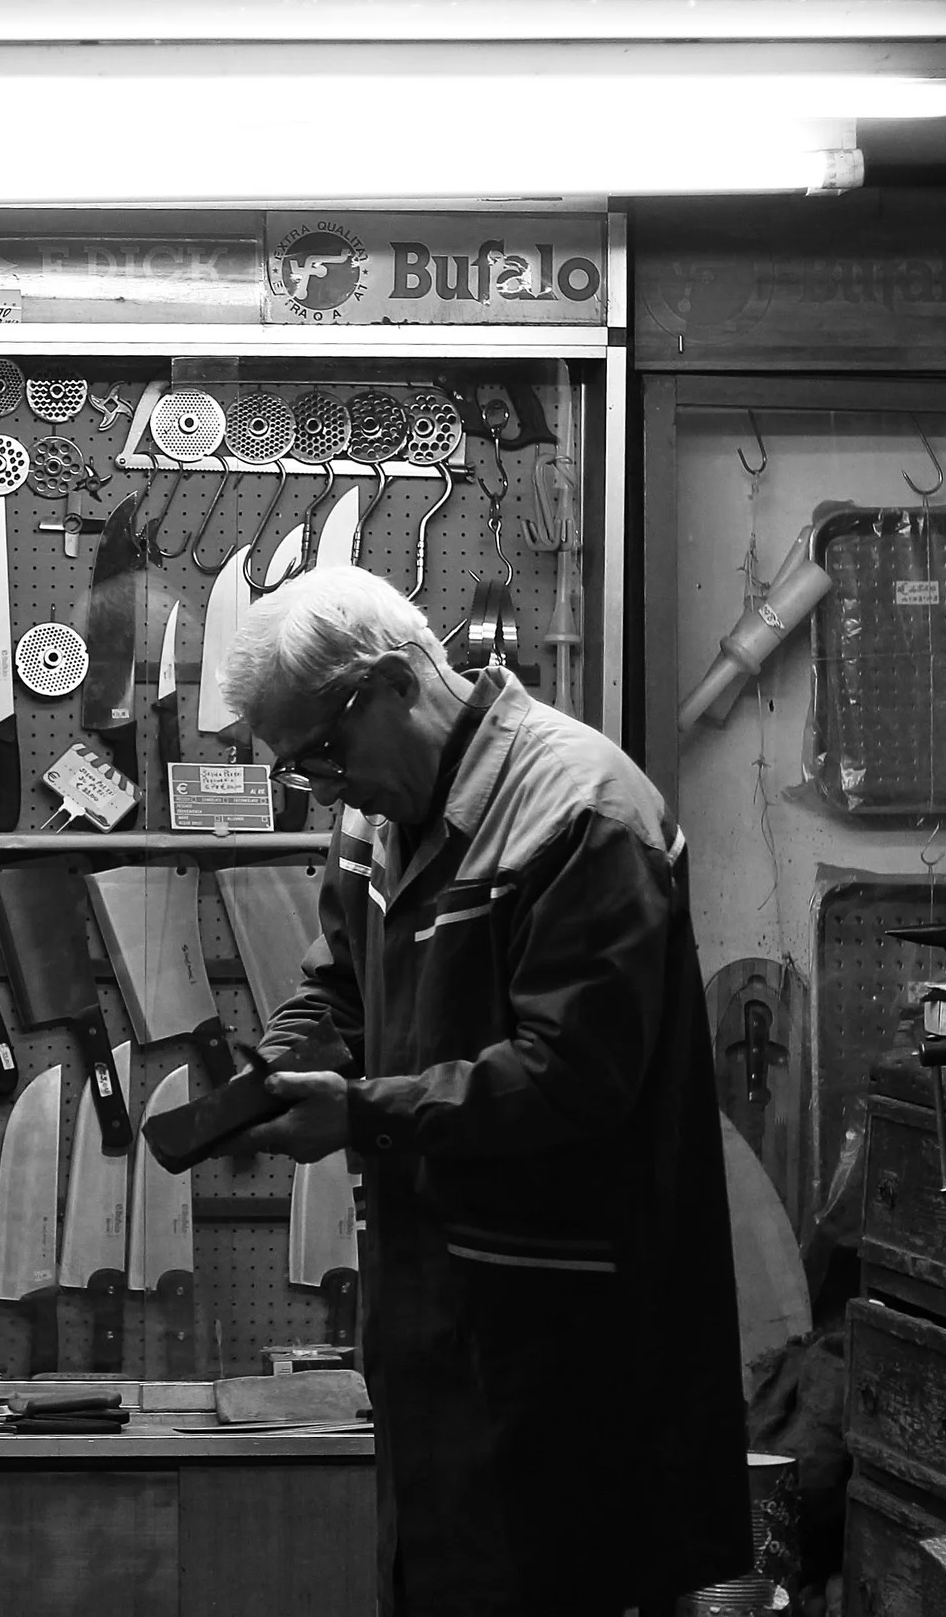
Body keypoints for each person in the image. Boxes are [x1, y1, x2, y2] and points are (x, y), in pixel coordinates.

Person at [223, 566, 751, 1617]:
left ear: (387, 683)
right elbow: (342, 981)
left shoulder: (578, 811)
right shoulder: (380, 813)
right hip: (435, 1321)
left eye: (322, 757)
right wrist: (281, 1060)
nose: (326, 790)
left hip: (566, 1339)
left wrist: (364, 1111)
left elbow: (572, 1077)